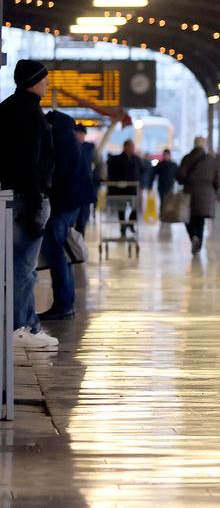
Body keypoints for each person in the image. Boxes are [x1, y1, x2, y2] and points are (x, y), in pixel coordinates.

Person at [2, 60, 58, 351]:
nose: (48, 84)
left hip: (9, 197)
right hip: (28, 198)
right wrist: (36, 205)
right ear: (34, 81)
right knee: (24, 267)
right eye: (45, 80)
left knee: (13, 266)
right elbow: (31, 163)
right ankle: (22, 328)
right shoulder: (32, 115)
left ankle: (21, 325)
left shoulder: (5, 107)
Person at [39, 111, 97, 322]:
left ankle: (63, 304)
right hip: (73, 202)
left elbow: (57, 176)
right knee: (58, 248)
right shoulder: (70, 141)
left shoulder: (60, 142)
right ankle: (65, 303)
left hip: (66, 203)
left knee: (56, 248)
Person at [176, 136, 220, 256]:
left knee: (188, 219)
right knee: (200, 220)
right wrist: (214, 190)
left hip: (189, 193)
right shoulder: (212, 160)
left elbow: (180, 176)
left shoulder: (187, 158)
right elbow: (217, 180)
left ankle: (193, 237)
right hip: (206, 194)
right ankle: (198, 243)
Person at [106, 139, 143, 237]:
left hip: (132, 188)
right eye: (130, 146)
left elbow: (141, 171)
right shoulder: (117, 159)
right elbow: (112, 173)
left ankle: (130, 224)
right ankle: (122, 226)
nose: (132, 148)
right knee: (121, 209)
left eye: (133, 146)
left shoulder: (136, 159)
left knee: (135, 207)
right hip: (120, 189)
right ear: (125, 147)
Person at [154, 148, 179, 216]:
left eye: (167, 155)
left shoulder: (173, 164)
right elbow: (154, 174)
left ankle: (168, 215)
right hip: (161, 187)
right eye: (164, 155)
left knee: (169, 202)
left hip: (170, 186)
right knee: (162, 201)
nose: (166, 156)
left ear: (169, 155)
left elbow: (177, 175)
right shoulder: (160, 164)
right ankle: (162, 215)